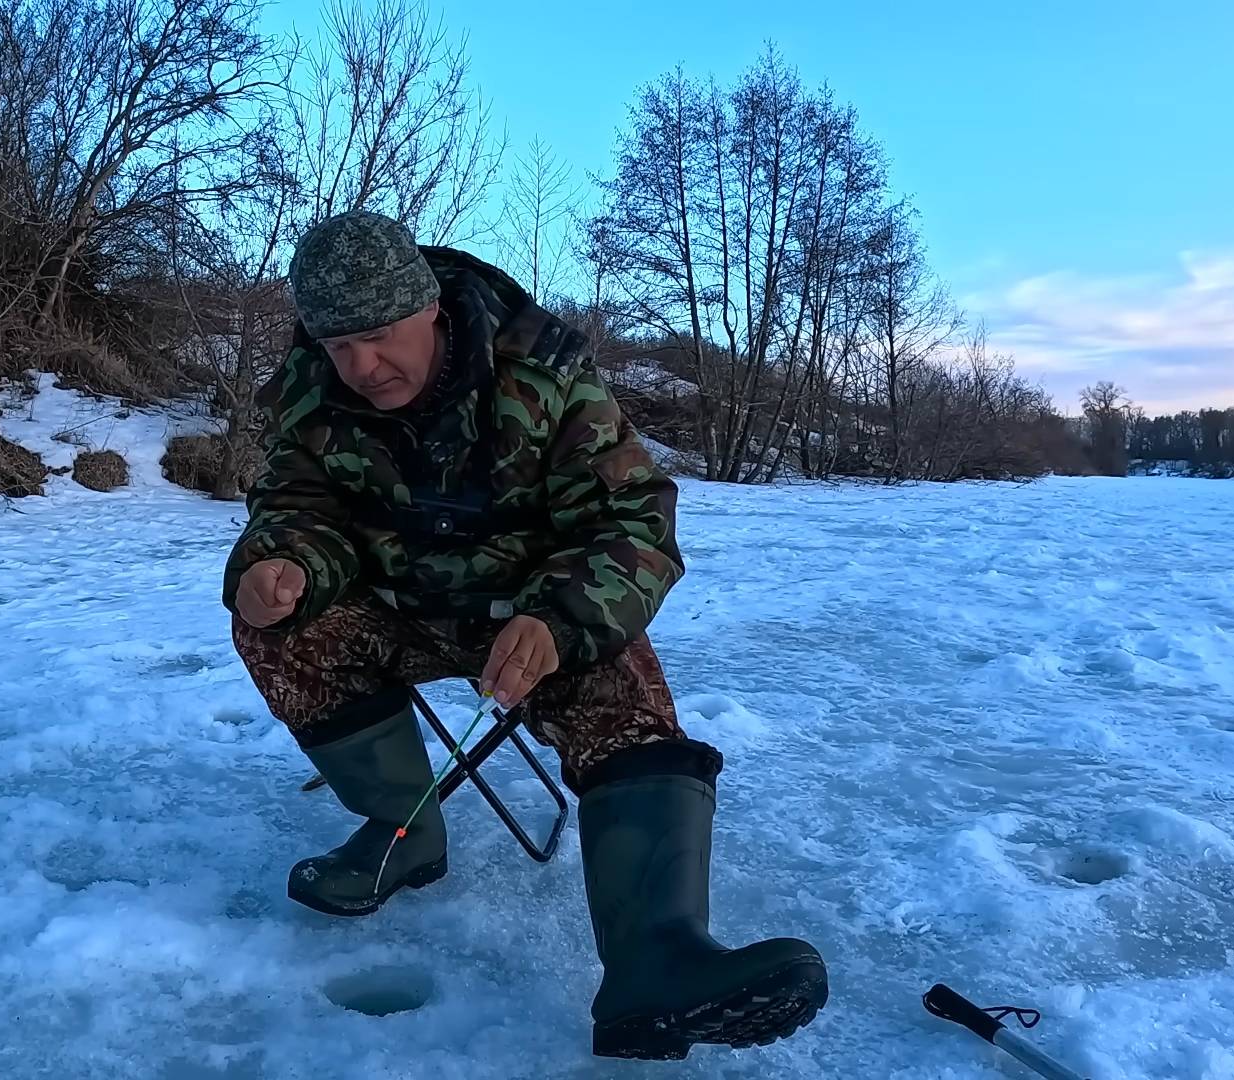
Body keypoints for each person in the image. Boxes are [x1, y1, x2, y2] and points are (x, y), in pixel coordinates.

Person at [222, 210, 827, 1060]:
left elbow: (635, 523)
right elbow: (294, 509)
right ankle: (404, 831)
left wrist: (559, 616)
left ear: (429, 306)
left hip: (530, 619)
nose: (360, 367)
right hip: (394, 611)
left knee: (617, 675)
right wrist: (280, 565)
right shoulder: (309, 394)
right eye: (336, 344)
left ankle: (654, 959)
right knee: (279, 628)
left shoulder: (542, 376)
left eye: (377, 336)